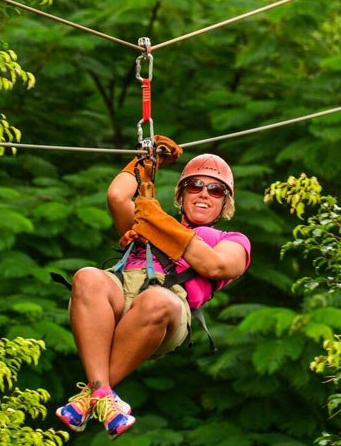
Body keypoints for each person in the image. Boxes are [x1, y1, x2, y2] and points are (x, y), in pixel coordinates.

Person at [55, 141, 251, 440]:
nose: (203, 194)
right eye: (195, 186)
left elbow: (214, 266)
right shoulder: (149, 221)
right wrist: (148, 160)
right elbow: (116, 195)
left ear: (225, 203)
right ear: (181, 193)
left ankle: (95, 393)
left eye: (215, 191)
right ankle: (100, 396)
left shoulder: (232, 240)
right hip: (120, 291)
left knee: (157, 299)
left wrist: (159, 226)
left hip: (166, 309)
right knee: (87, 277)